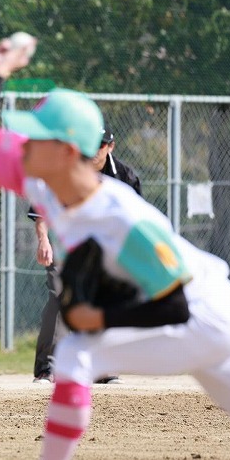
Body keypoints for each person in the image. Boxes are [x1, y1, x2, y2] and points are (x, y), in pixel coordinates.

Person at [0, 37, 230, 460]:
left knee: (75, 353)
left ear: (67, 152)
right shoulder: (45, 182)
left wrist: (100, 319)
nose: (23, 144)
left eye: (35, 138)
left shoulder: (123, 218)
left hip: (201, 315)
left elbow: (175, 306)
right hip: (207, 318)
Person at [31, 120, 142, 385]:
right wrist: (43, 240)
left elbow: (135, 219)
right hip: (66, 242)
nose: (93, 150)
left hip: (105, 246)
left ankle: (103, 368)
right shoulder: (65, 168)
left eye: (100, 145)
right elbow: (42, 210)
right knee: (59, 296)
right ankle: (47, 368)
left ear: (111, 146)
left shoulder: (125, 176)